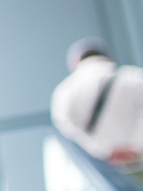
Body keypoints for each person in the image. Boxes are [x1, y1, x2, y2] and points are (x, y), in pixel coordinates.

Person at [51, 37, 143, 166]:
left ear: (74, 63)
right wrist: (136, 147)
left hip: (109, 172)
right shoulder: (133, 76)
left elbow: (70, 132)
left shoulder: (64, 92)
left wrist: (106, 152)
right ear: (108, 57)